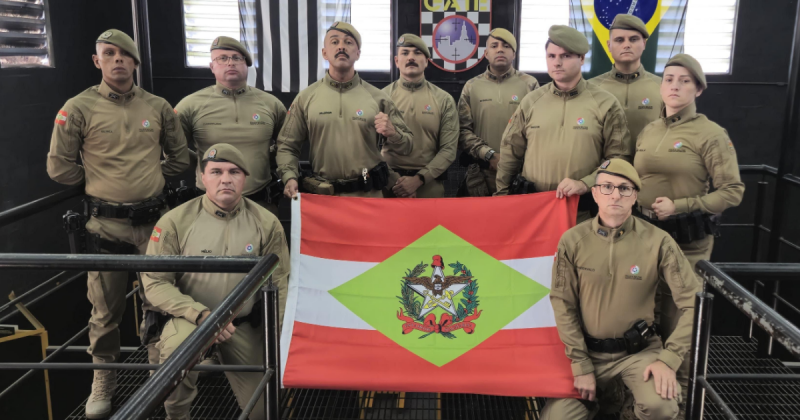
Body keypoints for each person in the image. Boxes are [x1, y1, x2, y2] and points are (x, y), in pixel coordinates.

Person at [46, 29, 189, 419]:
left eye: (125, 54)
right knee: (105, 313)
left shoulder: (159, 107)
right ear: (98, 61)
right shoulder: (78, 107)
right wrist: (98, 183)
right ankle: (103, 380)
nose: (117, 60)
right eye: (108, 54)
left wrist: (149, 178)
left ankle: (160, 375)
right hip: (104, 228)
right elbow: (58, 167)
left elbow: (180, 160)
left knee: (158, 303)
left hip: (155, 224)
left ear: (136, 62)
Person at [541, 159, 701, 420]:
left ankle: (625, 404)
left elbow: (694, 302)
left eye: (624, 188)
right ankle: (609, 398)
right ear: (594, 193)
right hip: (587, 353)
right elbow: (562, 303)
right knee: (557, 417)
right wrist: (580, 364)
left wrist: (669, 359)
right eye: (606, 187)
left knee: (660, 407)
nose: (615, 194)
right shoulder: (572, 240)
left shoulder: (659, 241)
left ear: (635, 195)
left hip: (638, 353)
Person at [141, 144, 290, 420]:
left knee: (264, 411)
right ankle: (177, 415)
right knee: (174, 364)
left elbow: (280, 284)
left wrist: (280, 336)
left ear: (245, 177)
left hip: (241, 325)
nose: (226, 179)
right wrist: (201, 316)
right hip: (190, 320)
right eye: (216, 171)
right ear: (202, 177)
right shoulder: (174, 222)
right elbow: (155, 283)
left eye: (234, 171)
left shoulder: (266, 223)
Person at [634, 53, 744, 404]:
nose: (675, 86)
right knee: (646, 314)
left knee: (681, 319)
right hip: (646, 238)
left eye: (684, 80)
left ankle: (680, 402)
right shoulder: (650, 129)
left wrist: (681, 206)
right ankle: (642, 398)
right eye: (669, 79)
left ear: (698, 88)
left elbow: (732, 191)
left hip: (687, 243)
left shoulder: (710, 133)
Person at [495, 25, 632, 223]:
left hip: (582, 213)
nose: (557, 63)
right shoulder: (531, 101)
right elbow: (510, 153)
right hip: (533, 211)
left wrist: (585, 184)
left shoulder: (605, 103)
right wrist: (501, 197)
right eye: (551, 56)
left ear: (582, 59)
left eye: (565, 56)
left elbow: (618, 159)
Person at [277, 22, 413, 198]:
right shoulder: (306, 98)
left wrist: (394, 133)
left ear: (358, 53)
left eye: (349, 42)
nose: (341, 46)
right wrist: (289, 177)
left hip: (368, 196)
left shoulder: (379, 98)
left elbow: (408, 145)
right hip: (324, 199)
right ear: (324, 53)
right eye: (334, 42)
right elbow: (287, 146)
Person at [176, 36, 286, 215]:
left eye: (237, 58)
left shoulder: (271, 104)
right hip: (208, 206)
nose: (230, 63)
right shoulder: (190, 106)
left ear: (247, 65)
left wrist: (264, 159)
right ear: (212, 66)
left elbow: (287, 147)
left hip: (260, 204)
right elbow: (174, 151)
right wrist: (204, 164)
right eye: (222, 58)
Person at [457, 28, 539, 196]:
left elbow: (539, 130)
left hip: (521, 174)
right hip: (483, 173)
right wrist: (489, 155)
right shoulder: (472, 86)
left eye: (506, 46)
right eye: (494, 46)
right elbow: (462, 131)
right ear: (486, 53)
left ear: (514, 54)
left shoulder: (530, 84)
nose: (500, 49)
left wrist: (513, 160)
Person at [382, 34, 458, 198]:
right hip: (388, 185)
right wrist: (397, 181)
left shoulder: (443, 100)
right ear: (396, 61)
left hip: (428, 186)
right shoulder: (381, 98)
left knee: (431, 225)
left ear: (427, 62)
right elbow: (370, 148)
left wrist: (419, 179)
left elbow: (449, 150)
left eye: (417, 53)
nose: (411, 57)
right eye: (405, 53)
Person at [588, 14, 662, 141]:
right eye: (619, 40)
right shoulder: (590, 89)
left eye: (633, 39)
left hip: (649, 161)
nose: (627, 45)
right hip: (604, 161)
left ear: (644, 44)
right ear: (609, 45)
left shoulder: (663, 88)